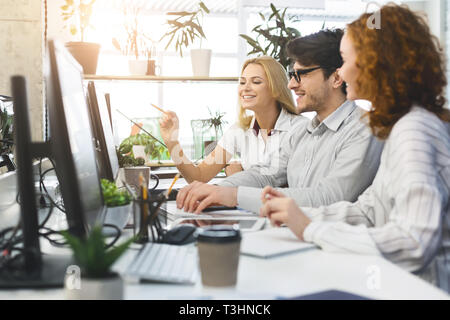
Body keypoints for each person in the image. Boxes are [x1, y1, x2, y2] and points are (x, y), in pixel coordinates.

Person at [260, 4, 450, 292]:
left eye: (346, 60)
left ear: (374, 63)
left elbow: (414, 242)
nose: (342, 71)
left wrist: (311, 229)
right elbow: (369, 211)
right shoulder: (401, 124)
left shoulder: (414, 131)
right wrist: (297, 216)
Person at [176, 29, 383, 214]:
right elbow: (264, 175)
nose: (291, 84)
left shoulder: (364, 130)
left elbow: (330, 198)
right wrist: (218, 190)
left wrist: (234, 196)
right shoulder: (304, 133)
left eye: (300, 75)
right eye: (292, 75)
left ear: (336, 79)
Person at [159, 56, 304, 183]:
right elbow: (199, 176)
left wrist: (240, 178)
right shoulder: (239, 130)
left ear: (276, 89)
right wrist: (172, 142)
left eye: (256, 82)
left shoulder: (300, 129)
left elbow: (301, 188)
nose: (245, 88)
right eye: (242, 82)